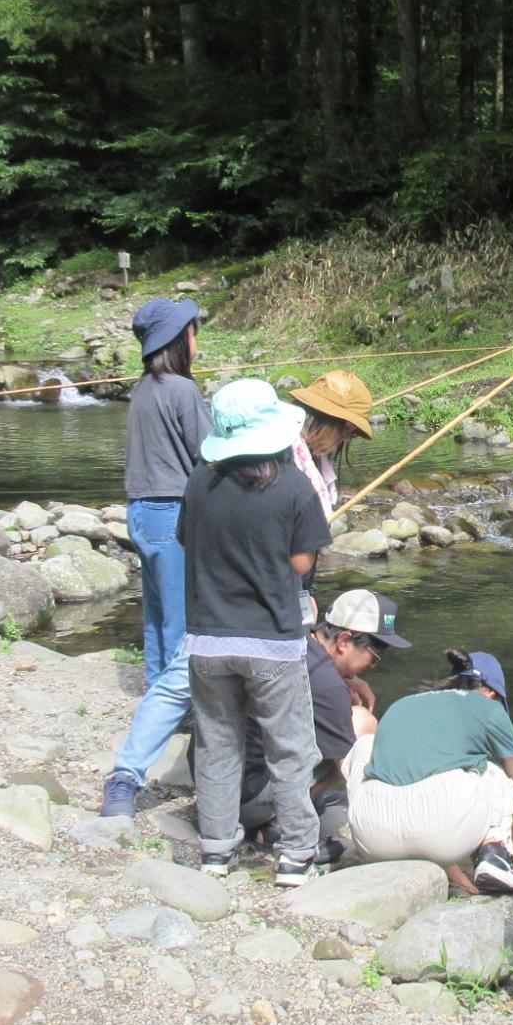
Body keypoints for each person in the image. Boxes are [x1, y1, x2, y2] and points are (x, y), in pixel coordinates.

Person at [179, 377, 332, 884]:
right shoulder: (295, 487)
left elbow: (187, 542)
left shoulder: (198, 483)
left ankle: (216, 848)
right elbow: (301, 563)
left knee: (217, 743)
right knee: (288, 749)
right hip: (272, 641)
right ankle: (297, 854)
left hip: (208, 640)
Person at [344, 649, 513, 895]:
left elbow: (415, 797)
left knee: (365, 746)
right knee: (495, 774)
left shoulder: (402, 704)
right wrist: (508, 848)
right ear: (492, 694)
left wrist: (455, 874)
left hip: (372, 838)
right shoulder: (489, 708)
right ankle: (496, 858)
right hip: (441, 835)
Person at [239, 588, 410, 851]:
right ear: (344, 640)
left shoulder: (298, 636)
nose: (374, 665)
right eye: (375, 656)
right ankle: (282, 822)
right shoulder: (328, 686)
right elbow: (352, 772)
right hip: (249, 801)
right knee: (361, 726)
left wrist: (348, 678)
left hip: (219, 784)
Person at [124, 299, 210, 685]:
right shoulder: (182, 389)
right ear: (178, 341)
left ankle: (156, 688)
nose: (196, 342)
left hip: (140, 511)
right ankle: (177, 700)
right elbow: (208, 452)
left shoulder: (142, 388)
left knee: (156, 612)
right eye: (192, 334)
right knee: (181, 617)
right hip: (172, 512)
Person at [287, 370, 372, 624]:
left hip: (294, 590)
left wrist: (308, 592)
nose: (347, 438)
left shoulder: (311, 458)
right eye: (348, 430)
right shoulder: (284, 460)